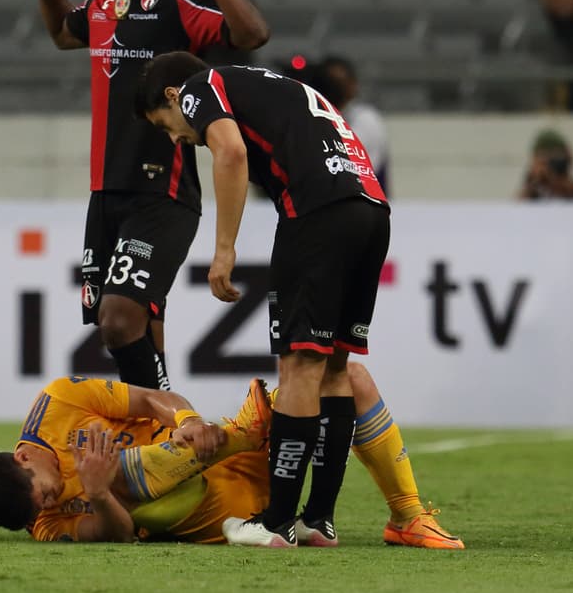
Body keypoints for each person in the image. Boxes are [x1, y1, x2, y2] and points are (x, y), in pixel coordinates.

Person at [135, 51, 389, 548]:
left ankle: (275, 522)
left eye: (164, 124)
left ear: (172, 97)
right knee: (334, 369)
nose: (174, 138)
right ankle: (318, 519)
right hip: (371, 209)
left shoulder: (198, 85)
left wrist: (223, 249)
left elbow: (229, 153)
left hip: (316, 214)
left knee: (298, 368)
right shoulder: (264, 84)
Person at [31, 0, 269, 392]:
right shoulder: (99, 4)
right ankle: (166, 442)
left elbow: (252, 32)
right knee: (131, 327)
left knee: (119, 322)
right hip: (106, 192)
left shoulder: (178, 1)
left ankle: (174, 422)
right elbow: (60, 34)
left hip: (163, 192)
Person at [0, 364, 463, 549]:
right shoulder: (42, 522)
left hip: (214, 451)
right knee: (111, 479)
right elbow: (113, 534)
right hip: (202, 508)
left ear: (24, 459)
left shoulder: (60, 401)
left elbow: (154, 399)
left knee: (346, 378)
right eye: (39, 511)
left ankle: (407, 515)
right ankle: (248, 441)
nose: (49, 506)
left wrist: (187, 422)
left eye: (44, 494)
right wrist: (94, 493)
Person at [318, 55, 390, 190]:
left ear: (353, 85)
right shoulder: (314, 117)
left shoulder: (365, 118)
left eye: (339, 83)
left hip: (364, 201)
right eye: (328, 82)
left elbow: (356, 171)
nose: (333, 89)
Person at [517, 129, 573, 201]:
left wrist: (567, 188)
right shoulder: (531, 196)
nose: (552, 168)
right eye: (545, 161)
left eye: (557, 160)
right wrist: (533, 183)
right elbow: (517, 208)